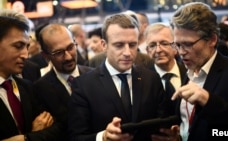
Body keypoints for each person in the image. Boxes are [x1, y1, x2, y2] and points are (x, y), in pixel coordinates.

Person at [68, 13, 169, 141]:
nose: (127, 53)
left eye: (132, 45)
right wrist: (103, 137)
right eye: (119, 45)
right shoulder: (83, 85)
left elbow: (162, 126)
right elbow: (75, 137)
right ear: (104, 45)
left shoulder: (152, 79)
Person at [159, 2, 228, 141]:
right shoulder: (185, 71)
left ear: (212, 40)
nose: (181, 52)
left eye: (188, 44)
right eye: (177, 45)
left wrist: (208, 101)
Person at [0, 9, 59, 141]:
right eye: (18, 46)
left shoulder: (27, 87)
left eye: (27, 47)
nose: (26, 55)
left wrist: (26, 138)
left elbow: (56, 129)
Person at [33, 23, 93, 141]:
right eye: (59, 53)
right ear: (46, 56)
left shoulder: (95, 76)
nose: (68, 57)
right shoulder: (39, 90)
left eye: (70, 47)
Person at [144, 23, 187, 116]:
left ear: (175, 47)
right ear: (147, 51)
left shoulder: (191, 74)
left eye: (164, 43)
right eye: (152, 45)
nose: (158, 50)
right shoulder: (141, 80)